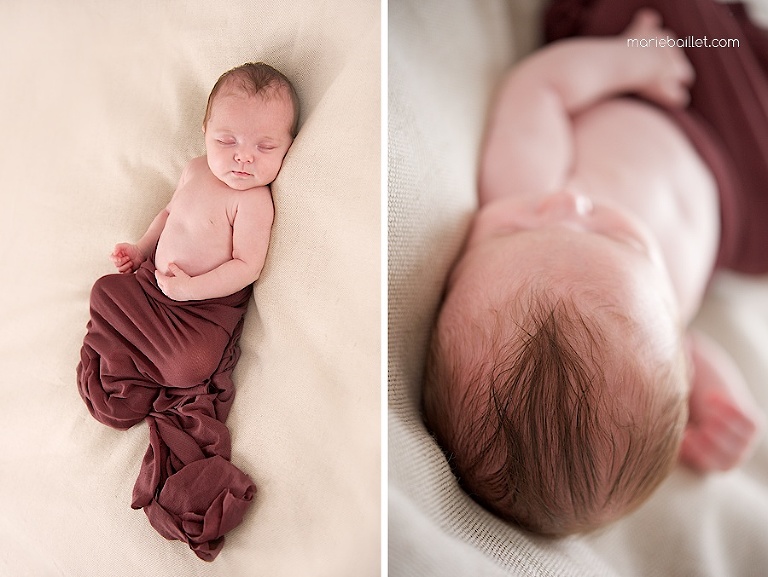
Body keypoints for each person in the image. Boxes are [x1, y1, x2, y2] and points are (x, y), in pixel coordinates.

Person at [423, 1, 767, 537]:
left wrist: (630, 61)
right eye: (613, 240)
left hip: (658, 86)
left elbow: (542, 87)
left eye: (518, 231)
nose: (568, 209)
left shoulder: (524, 185)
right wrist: (721, 402)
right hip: (744, 207)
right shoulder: (648, 335)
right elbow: (676, 352)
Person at [77, 62, 299, 561]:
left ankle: (150, 365)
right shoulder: (196, 170)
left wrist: (192, 289)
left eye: (266, 147)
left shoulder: (255, 203)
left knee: (191, 365)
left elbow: (246, 267)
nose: (244, 158)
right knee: (106, 289)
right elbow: (169, 214)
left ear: (287, 148)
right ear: (204, 133)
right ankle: (141, 357)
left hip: (200, 314)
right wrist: (140, 248)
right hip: (156, 288)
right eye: (227, 141)